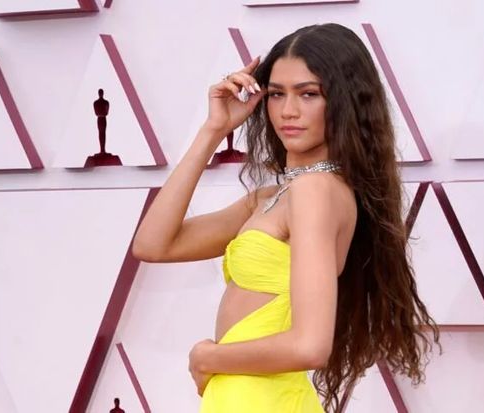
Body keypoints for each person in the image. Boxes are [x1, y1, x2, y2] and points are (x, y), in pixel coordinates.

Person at [132, 23, 439, 413]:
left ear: (344, 102)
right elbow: (153, 245)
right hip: (240, 396)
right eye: (276, 94)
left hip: (259, 398)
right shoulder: (271, 198)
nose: (288, 111)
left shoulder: (316, 191)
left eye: (308, 94)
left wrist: (207, 358)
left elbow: (310, 345)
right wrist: (214, 129)